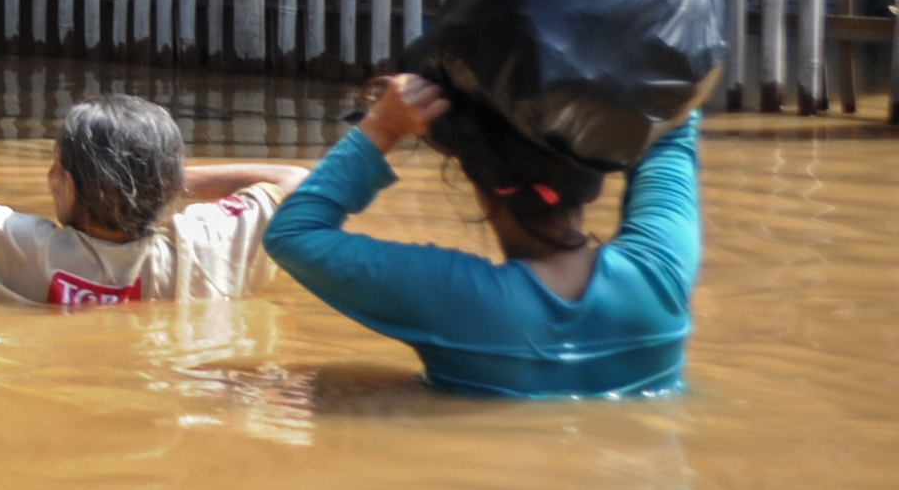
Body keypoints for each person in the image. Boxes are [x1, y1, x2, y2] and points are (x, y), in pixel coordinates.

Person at [266, 71, 703, 398]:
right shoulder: (659, 272)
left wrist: (383, 127)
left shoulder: (457, 300)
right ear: (600, 183)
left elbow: (293, 233)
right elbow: (676, 123)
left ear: (478, 186)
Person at [0, 96, 310, 309]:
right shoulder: (210, 243)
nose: (49, 178)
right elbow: (297, 178)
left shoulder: (18, 245)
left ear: (69, 187)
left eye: (55, 167)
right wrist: (161, 178)